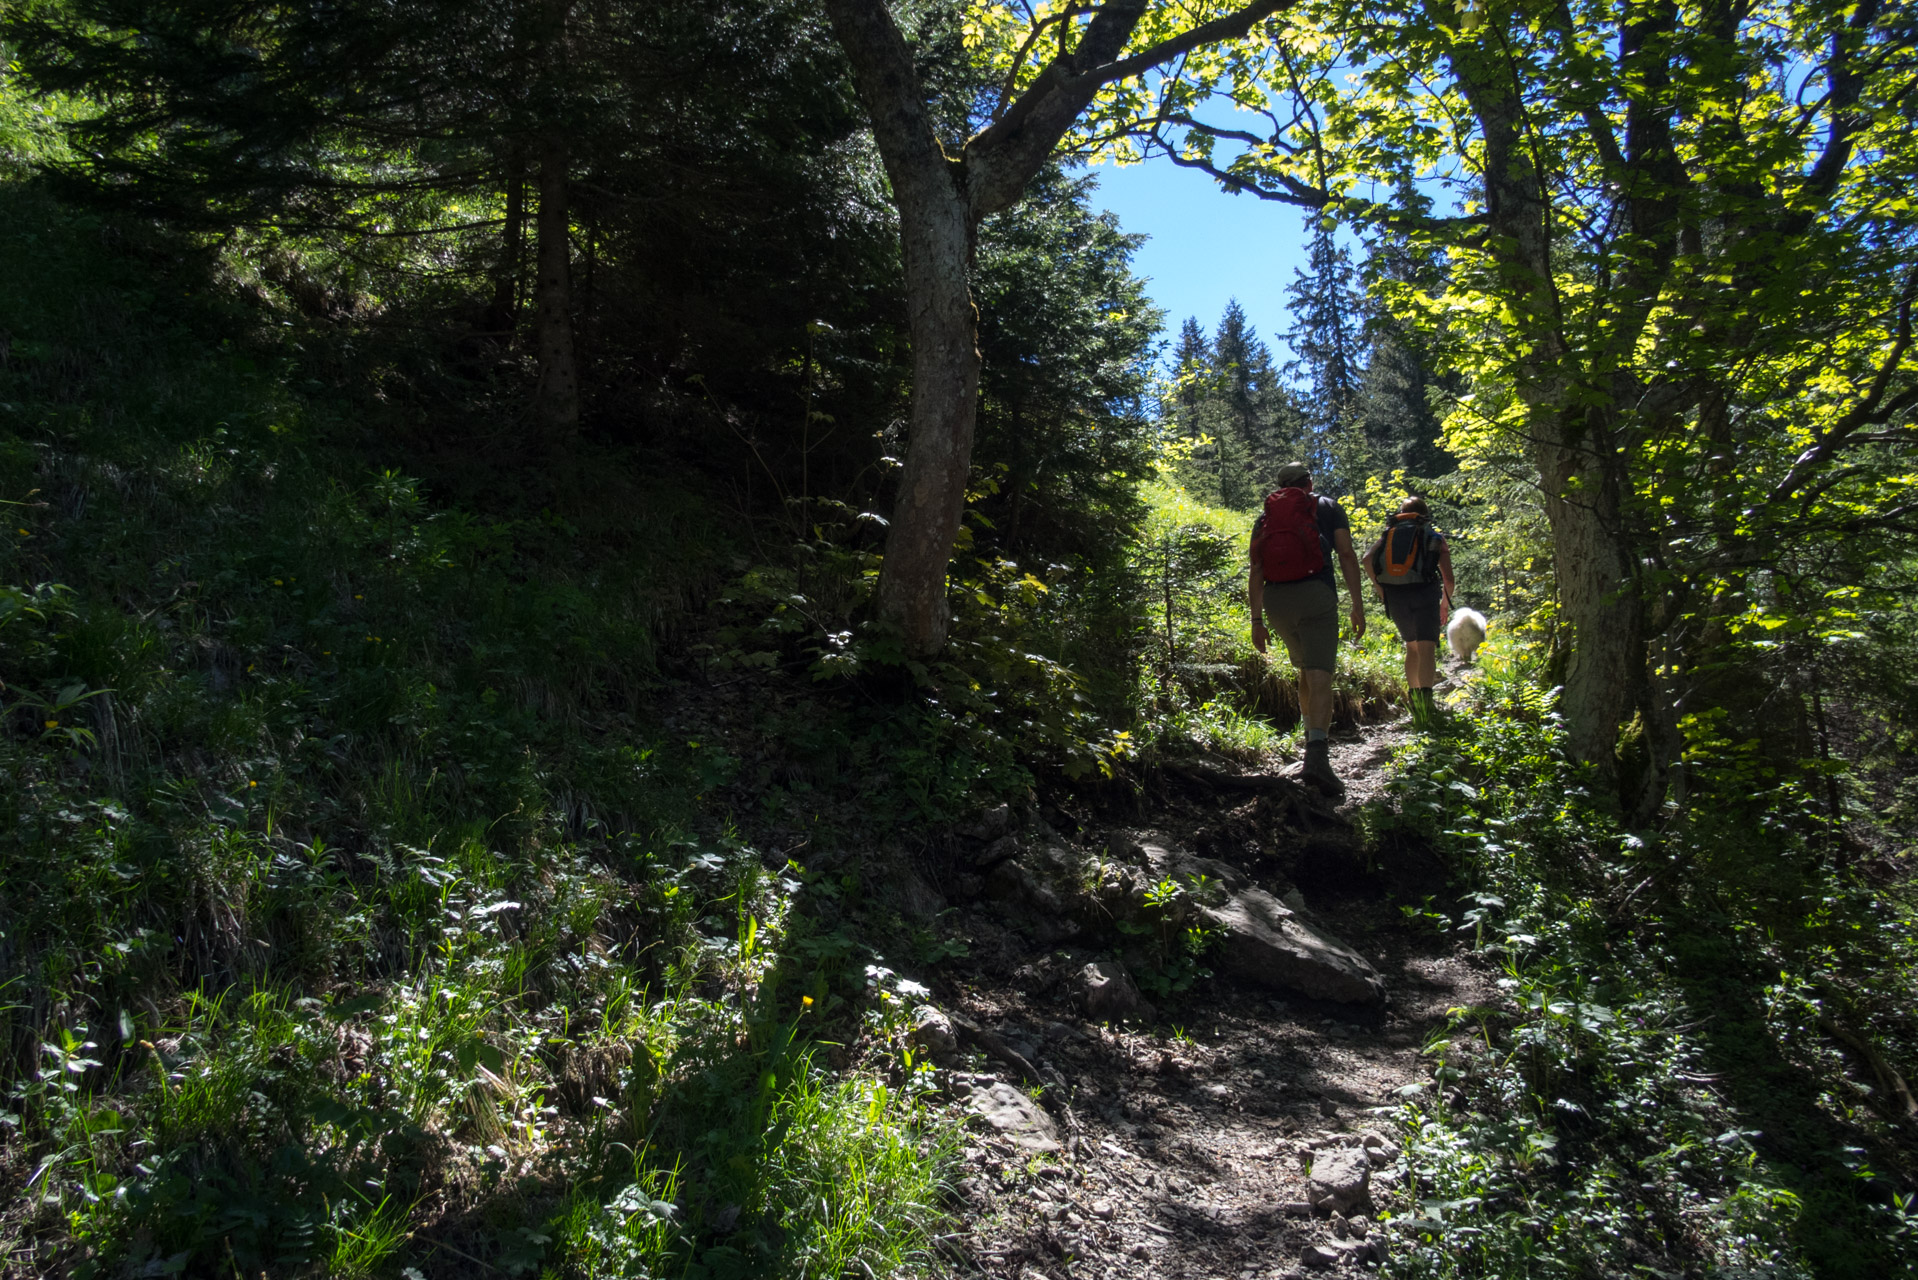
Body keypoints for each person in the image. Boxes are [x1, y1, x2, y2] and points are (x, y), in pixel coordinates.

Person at [1248, 462, 1366, 798]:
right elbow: (1345, 553)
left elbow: (1256, 568)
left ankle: (1308, 743)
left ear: (1281, 486)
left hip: (1276, 601)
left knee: (1303, 668)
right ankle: (1317, 758)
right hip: (1316, 595)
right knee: (1320, 675)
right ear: (1309, 483)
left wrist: (1256, 620)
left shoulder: (1265, 518)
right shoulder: (1327, 506)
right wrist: (1356, 604)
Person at [1362, 496, 1455, 730]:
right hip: (1425, 592)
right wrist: (1444, 603)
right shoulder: (1433, 536)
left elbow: (1366, 559)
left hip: (1395, 596)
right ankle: (1426, 708)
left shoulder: (1389, 534)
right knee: (1426, 648)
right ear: (1424, 513)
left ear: (1401, 512)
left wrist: (1379, 586)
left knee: (1411, 647)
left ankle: (1414, 705)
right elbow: (1448, 579)